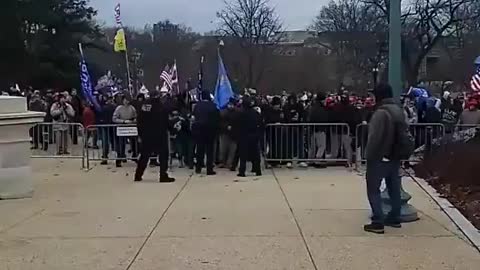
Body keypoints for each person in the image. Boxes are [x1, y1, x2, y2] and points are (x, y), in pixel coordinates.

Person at [364, 83, 405, 234]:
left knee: (373, 189)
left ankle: (378, 221)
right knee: (394, 188)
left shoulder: (380, 113)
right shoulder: (398, 110)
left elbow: (374, 138)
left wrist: (369, 156)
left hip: (380, 156)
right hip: (395, 155)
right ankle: (395, 217)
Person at [134, 90, 175, 182]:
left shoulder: (144, 106)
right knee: (163, 156)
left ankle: (138, 175)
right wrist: (172, 128)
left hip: (146, 135)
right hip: (159, 135)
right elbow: (165, 121)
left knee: (144, 156)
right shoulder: (161, 106)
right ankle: (163, 175)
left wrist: (140, 133)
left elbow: (139, 120)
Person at [192, 91, 220, 175]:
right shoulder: (213, 106)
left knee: (200, 150)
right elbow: (217, 118)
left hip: (199, 130)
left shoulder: (197, 106)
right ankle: (209, 169)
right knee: (209, 151)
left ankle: (198, 168)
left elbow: (194, 116)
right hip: (210, 130)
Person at [237, 97, 263, 177]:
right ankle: (257, 170)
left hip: (244, 135)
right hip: (254, 135)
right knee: (255, 154)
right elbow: (260, 123)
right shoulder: (255, 113)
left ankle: (242, 171)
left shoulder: (241, 114)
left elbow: (238, 125)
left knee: (243, 155)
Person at [112, 94, 137, 167]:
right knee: (121, 145)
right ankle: (119, 159)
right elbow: (114, 118)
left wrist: (134, 120)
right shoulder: (119, 108)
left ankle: (134, 156)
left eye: (127, 100)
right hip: (121, 128)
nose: (126, 101)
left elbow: (135, 116)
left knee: (134, 143)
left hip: (131, 128)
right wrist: (123, 121)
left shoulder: (132, 108)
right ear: (122, 100)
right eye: (125, 100)